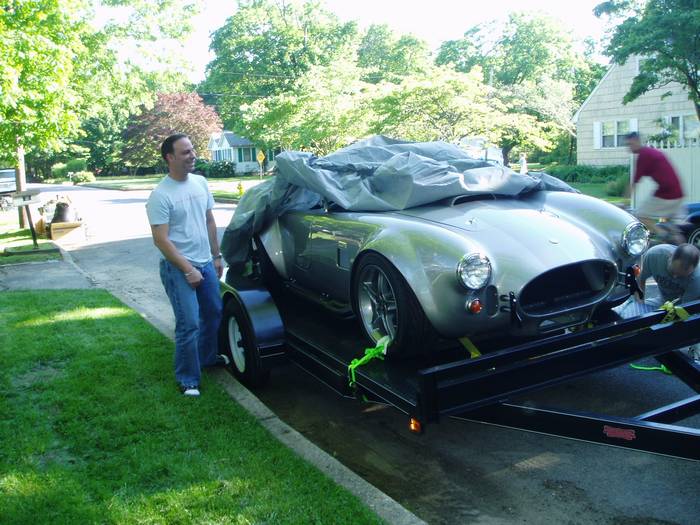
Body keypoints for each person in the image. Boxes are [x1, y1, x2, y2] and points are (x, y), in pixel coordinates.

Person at [146, 133, 226, 396]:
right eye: (185, 152)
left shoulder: (200, 183)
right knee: (189, 323)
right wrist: (188, 269)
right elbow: (161, 239)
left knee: (213, 314)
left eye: (192, 150)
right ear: (170, 157)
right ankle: (188, 379)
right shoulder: (160, 195)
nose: (192, 155)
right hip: (178, 268)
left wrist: (216, 256)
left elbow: (209, 220)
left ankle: (206, 359)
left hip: (205, 262)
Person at [625, 132, 685, 243]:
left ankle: (663, 235)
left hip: (667, 194)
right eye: (627, 145)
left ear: (638, 141)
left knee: (640, 215)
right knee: (674, 230)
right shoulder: (650, 152)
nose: (629, 148)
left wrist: (625, 203)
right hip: (678, 193)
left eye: (631, 144)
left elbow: (634, 182)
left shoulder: (644, 155)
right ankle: (681, 246)